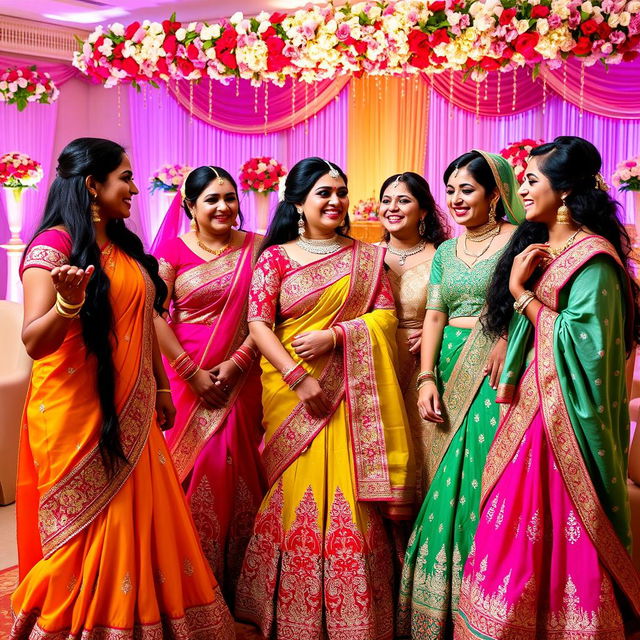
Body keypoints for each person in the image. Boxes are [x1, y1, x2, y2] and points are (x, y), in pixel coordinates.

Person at [11, 138, 234, 639]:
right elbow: (33, 342)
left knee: (141, 519)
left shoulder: (123, 245)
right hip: (75, 412)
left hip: (132, 407)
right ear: (93, 185)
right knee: (85, 531)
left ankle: (142, 618)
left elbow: (146, 318)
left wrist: (158, 389)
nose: (135, 187)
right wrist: (68, 305)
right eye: (125, 178)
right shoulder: (54, 245)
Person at [455, 136, 640, 638]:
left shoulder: (594, 258)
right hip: (533, 406)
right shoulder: (544, 248)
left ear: (564, 192)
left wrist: (521, 295)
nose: (523, 189)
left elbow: (588, 346)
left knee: (552, 515)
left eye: (532, 180)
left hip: (565, 416)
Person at [235, 157, 415, 640]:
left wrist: (336, 337)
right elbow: (258, 325)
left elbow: (384, 318)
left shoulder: (366, 258)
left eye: (340, 192)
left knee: (347, 498)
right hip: (291, 393)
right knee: (294, 491)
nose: (335, 201)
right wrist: (297, 377)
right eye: (323, 193)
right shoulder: (275, 257)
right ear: (297, 202)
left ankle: (354, 612)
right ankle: (289, 608)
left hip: (348, 396)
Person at [398, 151, 525, 639]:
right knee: (440, 475)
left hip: (495, 366)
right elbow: (434, 314)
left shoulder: (519, 240)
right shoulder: (447, 251)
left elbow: (524, 304)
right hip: (447, 365)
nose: (456, 199)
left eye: (467, 189)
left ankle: (480, 595)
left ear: (496, 194)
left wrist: (502, 341)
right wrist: (426, 376)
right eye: (450, 190)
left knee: (478, 471)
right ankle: (438, 603)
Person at [152, 165, 266, 605]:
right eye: (212, 200)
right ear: (190, 207)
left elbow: (267, 314)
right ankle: (189, 579)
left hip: (242, 376)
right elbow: (155, 314)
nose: (223, 207)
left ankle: (240, 583)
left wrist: (238, 363)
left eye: (229, 198)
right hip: (186, 375)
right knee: (192, 473)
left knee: (239, 467)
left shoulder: (257, 248)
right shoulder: (173, 252)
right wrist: (189, 372)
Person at [379, 171, 450, 500]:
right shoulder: (365, 257)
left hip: (424, 361)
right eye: (387, 201)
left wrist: (439, 328)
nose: (392, 207)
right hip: (378, 362)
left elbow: (465, 308)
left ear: (423, 211)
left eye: (403, 200)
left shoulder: (443, 256)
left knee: (420, 443)